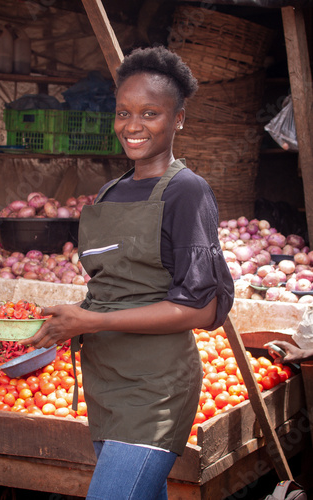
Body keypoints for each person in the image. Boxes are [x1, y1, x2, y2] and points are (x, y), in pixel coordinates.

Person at [20, 45, 235, 500]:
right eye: (123, 113)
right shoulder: (112, 192)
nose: (132, 126)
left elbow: (202, 306)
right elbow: (115, 288)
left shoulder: (187, 192)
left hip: (156, 389)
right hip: (106, 382)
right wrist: (67, 320)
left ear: (178, 118)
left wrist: (94, 321)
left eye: (150, 113)